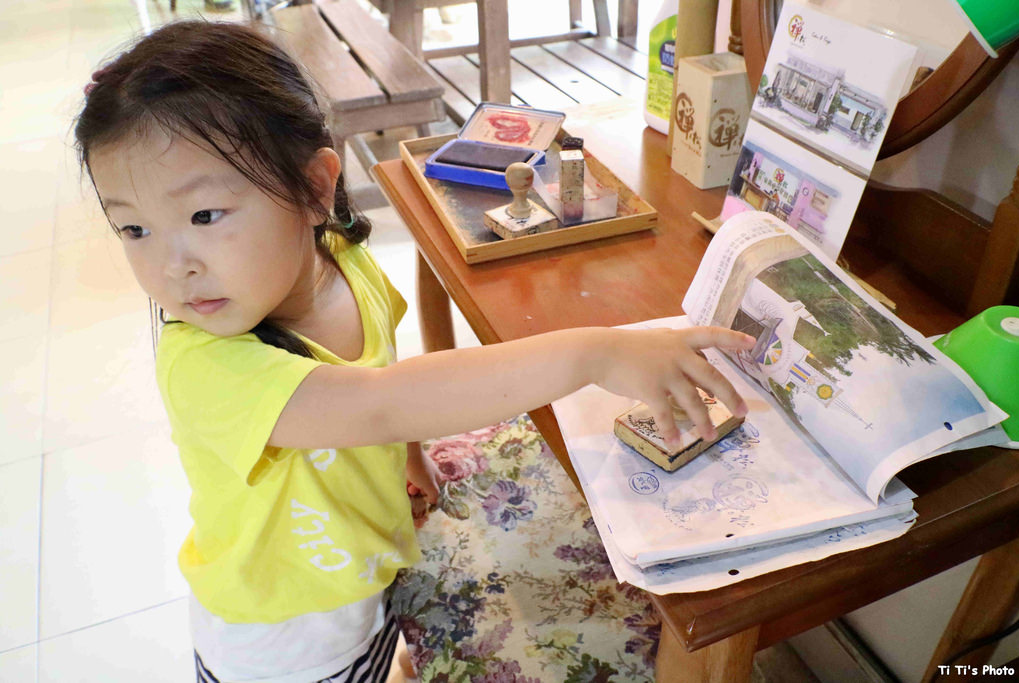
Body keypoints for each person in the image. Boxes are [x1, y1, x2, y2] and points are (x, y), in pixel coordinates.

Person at [74, 20, 755, 683]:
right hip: (283, 644)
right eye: (133, 228)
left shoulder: (345, 263)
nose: (172, 267)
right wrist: (596, 354)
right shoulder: (204, 364)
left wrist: (407, 453)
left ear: (315, 189)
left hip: (365, 582)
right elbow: (380, 403)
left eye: (202, 217)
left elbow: (388, 380)